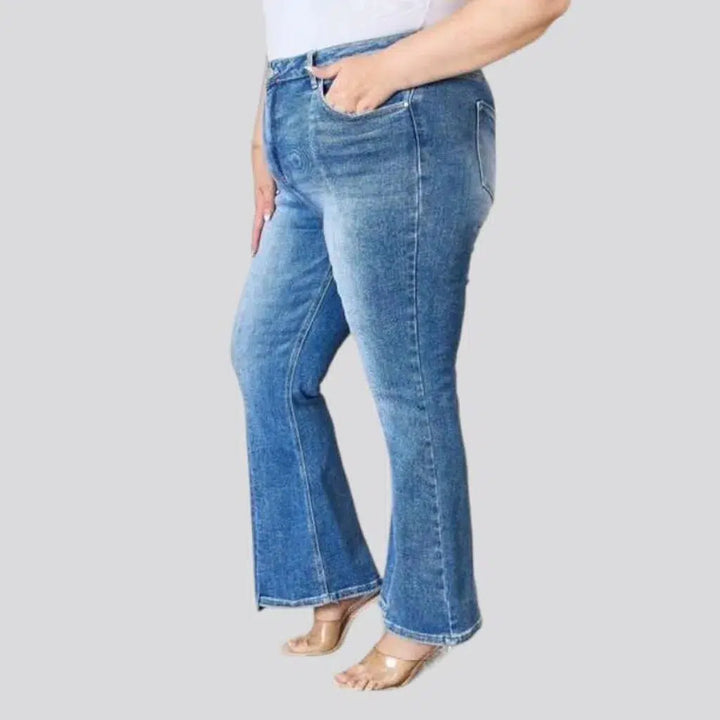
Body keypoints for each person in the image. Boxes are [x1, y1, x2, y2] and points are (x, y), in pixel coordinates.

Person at [231, 0, 570, 691]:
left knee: (407, 387)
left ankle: (425, 615)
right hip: (295, 112)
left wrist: (387, 70)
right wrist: (263, 132)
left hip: (399, 115)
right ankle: (331, 575)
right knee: (266, 360)